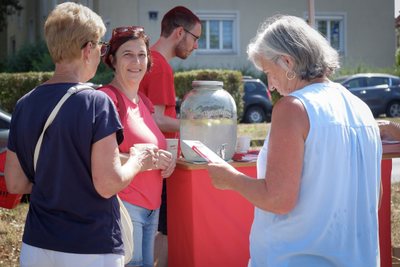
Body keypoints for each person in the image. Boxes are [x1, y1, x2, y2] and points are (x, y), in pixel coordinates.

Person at [206, 15, 382, 266]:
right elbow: (373, 198)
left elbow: (278, 199)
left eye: (269, 72)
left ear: (287, 62)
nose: (271, 85)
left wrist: (231, 178)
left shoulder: (294, 108)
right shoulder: (361, 108)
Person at [4, 2, 157, 267]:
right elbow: (108, 183)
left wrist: (60, 181)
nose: (101, 53)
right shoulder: (97, 103)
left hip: (38, 244)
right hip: (91, 244)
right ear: (88, 50)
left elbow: (15, 183)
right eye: (102, 46)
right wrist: (138, 160)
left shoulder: (25, 103)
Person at [99, 26, 176, 267]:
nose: (137, 61)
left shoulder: (143, 101)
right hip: (125, 206)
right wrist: (145, 161)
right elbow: (97, 159)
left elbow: (151, 148)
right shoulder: (106, 99)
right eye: (127, 54)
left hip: (152, 207)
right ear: (112, 59)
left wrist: (167, 160)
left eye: (142, 54)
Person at [138, 6, 201, 266]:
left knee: (158, 227)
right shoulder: (161, 66)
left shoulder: (146, 59)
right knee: (164, 228)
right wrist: (195, 127)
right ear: (179, 32)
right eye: (195, 38)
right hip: (158, 161)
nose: (196, 46)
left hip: (145, 159)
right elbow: (157, 120)